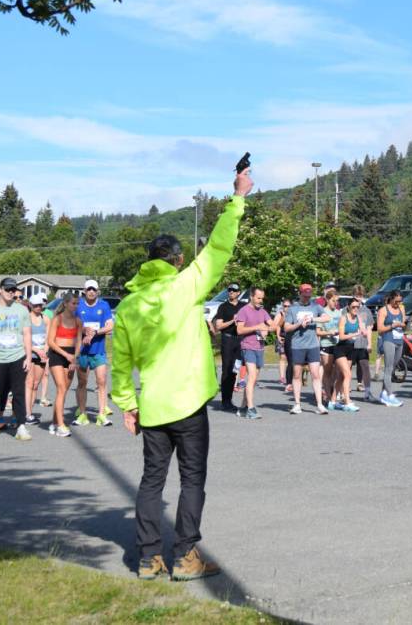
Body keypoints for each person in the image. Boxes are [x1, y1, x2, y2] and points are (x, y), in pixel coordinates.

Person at [112, 161, 253, 582]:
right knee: (192, 480)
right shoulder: (186, 284)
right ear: (177, 260)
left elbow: (120, 365)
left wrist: (127, 405)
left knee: (151, 481)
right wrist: (238, 198)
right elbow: (219, 249)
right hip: (189, 404)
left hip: (152, 407)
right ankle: (185, 556)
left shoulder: (127, 306)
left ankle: (147, 558)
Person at [0, 277, 33, 440]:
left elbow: (27, 334)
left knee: (18, 392)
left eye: (13, 290)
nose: (11, 292)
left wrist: (28, 357)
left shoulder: (22, 310)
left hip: (17, 356)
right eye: (8, 289)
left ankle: (21, 426)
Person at [284, 283, 331, 415]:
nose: (307, 298)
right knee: (297, 375)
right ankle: (297, 404)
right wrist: (299, 323)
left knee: (316, 375)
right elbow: (286, 328)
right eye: (304, 295)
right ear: (300, 294)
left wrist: (312, 319)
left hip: (313, 345)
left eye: (308, 295)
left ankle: (320, 405)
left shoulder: (315, 306)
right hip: (298, 345)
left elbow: (327, 317)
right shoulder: (293, 309)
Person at [75, 279, 114, 427]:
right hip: (83, 352)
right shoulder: (78, 306)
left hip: (98, 351)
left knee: (101, 382)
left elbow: (110, 326)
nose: (91, 291)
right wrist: (85, 331)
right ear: (84, 291)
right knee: (82, 383)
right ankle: (83, 414)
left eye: (94, 289)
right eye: (88, 289)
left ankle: (102, 415)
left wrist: (95, 332)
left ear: (97, 291)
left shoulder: (103, 305)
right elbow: (74, 325)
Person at [234, 287, 271, 420]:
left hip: (259, 348)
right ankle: (251, 408)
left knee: (253, 380)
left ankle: (243, 407)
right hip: (247, 346)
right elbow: (239, 330)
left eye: (262, 298)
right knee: (251, 377)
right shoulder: (243, 311)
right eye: (258, 298)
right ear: (251, 296)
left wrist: (267, 329)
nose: (260, 300)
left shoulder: (262, 311)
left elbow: (271, 325)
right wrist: (257, 327)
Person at [47, 293, 82, 437]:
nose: (75, 306)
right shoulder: (57, 319)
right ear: (66, 303)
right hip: (57, 354)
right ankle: (61, 425)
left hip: (71, 356)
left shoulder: (78, 321)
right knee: (61, 388)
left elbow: (79, 341)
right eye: (73, 303)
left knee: (64, 391)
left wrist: (74, 358)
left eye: (77, 303)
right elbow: (50, 341)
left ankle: (55, 422)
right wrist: (65, 355)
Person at [210, 283, 245, 412]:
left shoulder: (243, 306)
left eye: (233, 290)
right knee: (227, 370)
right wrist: (232, 321)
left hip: (240, 341)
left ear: (238, 293)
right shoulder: (223, 307)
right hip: (228, 339)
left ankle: (230, 400)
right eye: (229, 290)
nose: (231, 292)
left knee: (235, 370)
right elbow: (218, 326)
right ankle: (225, 401)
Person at [331, 299, 364, 412]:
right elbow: (341, 337)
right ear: (348, 307)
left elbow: (363, 331)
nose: (356, 309)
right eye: (353, 307)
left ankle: (332, 401)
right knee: (348, 374)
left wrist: (363, 330)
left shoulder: (358, 318)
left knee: (341, 377)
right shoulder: (343, 318)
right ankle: (347, 402)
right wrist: (354, 334)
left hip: (350, 350)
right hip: (340, 349)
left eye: (357, 307)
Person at [376, 290, 406, 406]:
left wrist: (402, 324)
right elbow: (379, 329)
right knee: (388, 368)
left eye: (400, 301)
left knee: (393, 367)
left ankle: (383, 393)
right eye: (396, 301)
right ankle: (389, 395)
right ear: (391, 299)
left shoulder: (401, 308)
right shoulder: (383, 310)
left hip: (399, 340)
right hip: (388, 340)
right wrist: (392, 325)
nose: (398, 303)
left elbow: (404, 324)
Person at [23, 293, 50, 425]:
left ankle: (30, 412)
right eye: (36, 305)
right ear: (30, 305)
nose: (38, 307)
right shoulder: (26, 319)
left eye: (40, 305)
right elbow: (23, 340)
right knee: (28, 383)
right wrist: (36, 350)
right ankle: (26, 413)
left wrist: (45, 350)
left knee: (35, 385)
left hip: (42, 355)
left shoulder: (45, 319)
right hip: (30, 354)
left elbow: (49, 338)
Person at [351, 285, 375, 402]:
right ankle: (342, 391)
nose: (358, 298)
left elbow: (370, 327)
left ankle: (367, 391)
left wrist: (369, 344)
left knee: (365, 366)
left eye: (360, 296)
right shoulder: (347, 309)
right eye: (356, 296)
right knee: (346, 367)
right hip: (350, 343)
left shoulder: (366, 311)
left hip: (362, 343)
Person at [317, 289, 341, 406]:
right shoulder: (323, 312)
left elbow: (342, 327)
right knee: (327, 371)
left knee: (337, 371)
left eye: (336, 301)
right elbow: (318, 332)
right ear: (327, 299)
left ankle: (333, 394)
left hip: (337, 344)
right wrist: (328, 333)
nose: (335, 303)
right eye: (333, 301)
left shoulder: (339, 313)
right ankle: (327, 395)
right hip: (326, 344)